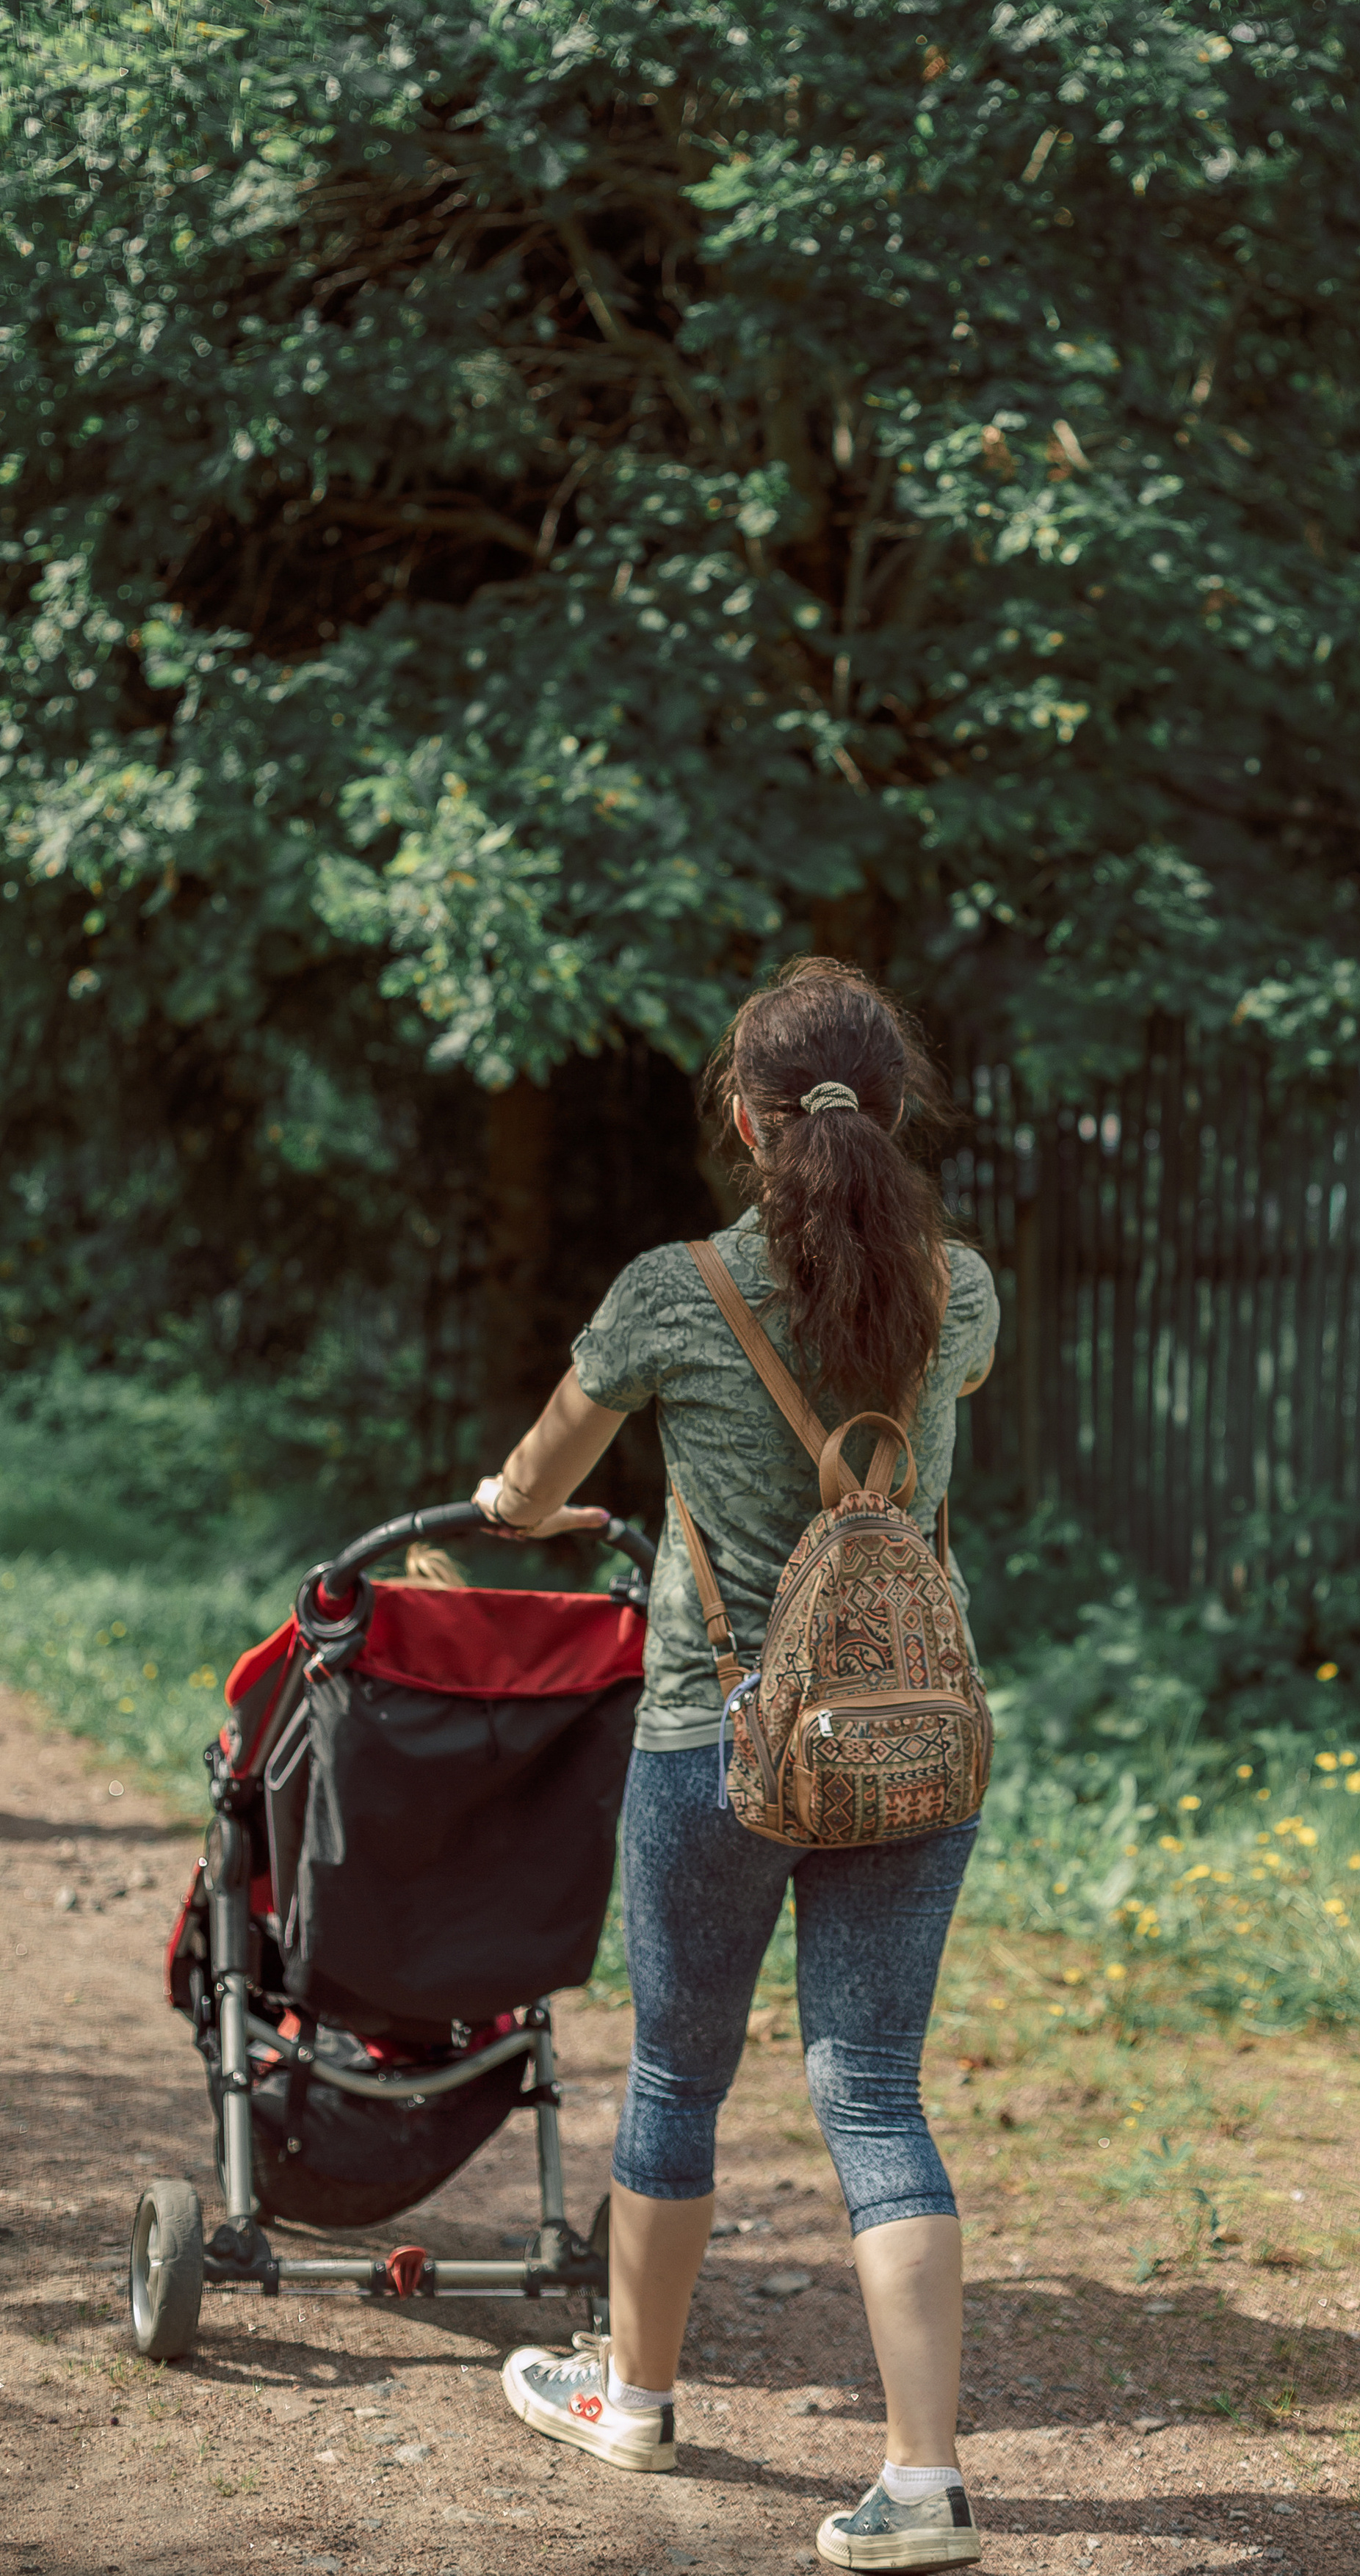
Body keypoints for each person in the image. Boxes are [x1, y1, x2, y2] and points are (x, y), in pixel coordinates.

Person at [473, 959, 997, 2574]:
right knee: (873, 2091)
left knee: (678, 2078)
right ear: (891, 1111)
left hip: (718, 1736)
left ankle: (629, 2399)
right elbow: (912, 1385)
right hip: (911, 1741)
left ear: (742, 1117)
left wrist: (513, 1507)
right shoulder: (958, 1290)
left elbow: (547, 1463)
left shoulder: (670, 1291)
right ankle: (921, 2485)